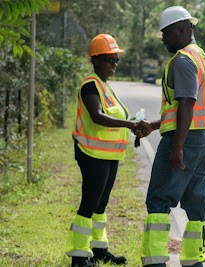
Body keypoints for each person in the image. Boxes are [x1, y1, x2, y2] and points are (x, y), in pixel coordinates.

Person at [138, 6, 205, 267]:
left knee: (159, 200)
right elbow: (185, 107)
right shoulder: (202, 57)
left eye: (167, 33)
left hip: (185, 139)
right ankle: (195, 261)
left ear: (183, 29)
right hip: (204, 139)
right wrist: (154, 124)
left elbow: (186, 103)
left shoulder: (183, 59)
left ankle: (155, 262)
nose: (163, 39)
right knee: (195, 203)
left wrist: (177, 146)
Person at [65, 33, 149, 267]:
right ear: (96, 60)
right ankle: (79, 255)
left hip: (109, 155)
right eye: (109, 60)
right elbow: (97, 116)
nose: (114, 64)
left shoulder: (104, 86)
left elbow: (114, 115)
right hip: (92, 154)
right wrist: (129, 124)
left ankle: (98, 249)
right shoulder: (90, 85)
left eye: (116, 60)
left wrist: (134, 121)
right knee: (89, 203)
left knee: (101, 206)